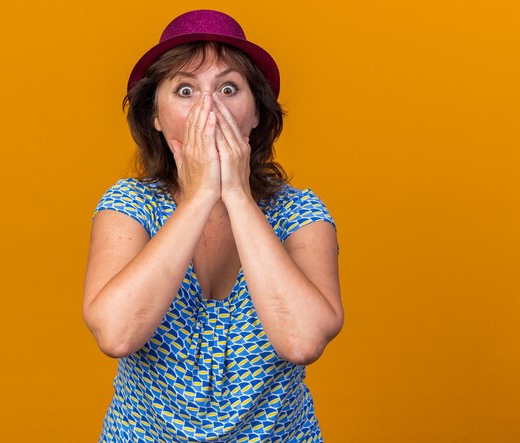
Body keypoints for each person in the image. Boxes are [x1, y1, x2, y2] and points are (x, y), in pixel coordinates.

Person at [83, 9, 344, 442]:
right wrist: (202, 195)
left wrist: (236, 194)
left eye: (228, 88)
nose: (210, 108)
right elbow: (116, 333)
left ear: (256, 113)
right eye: (185, 90)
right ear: (156, 116)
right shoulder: (128, 206)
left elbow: (302, 342)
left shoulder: (301, 213)